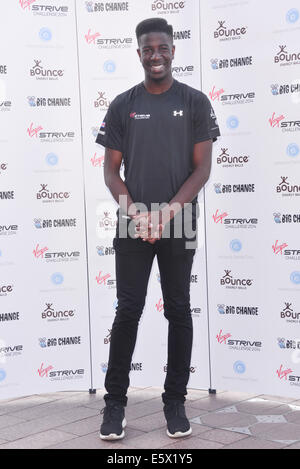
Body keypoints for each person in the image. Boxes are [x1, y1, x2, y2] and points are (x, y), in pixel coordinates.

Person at [95, 17, 220, 441]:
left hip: (179, 218)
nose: (155, 56)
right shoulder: (122, 104)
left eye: (162, 48)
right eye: (148, 49)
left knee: (179, 309)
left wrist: (165, 215)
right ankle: (114, 406)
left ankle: (175, 402)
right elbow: (111, 173)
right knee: (127, 310)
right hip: (133, 220)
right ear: (139, 54)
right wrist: (137, 214)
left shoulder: (196, 102)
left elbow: (202, 169)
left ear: (172, 50)